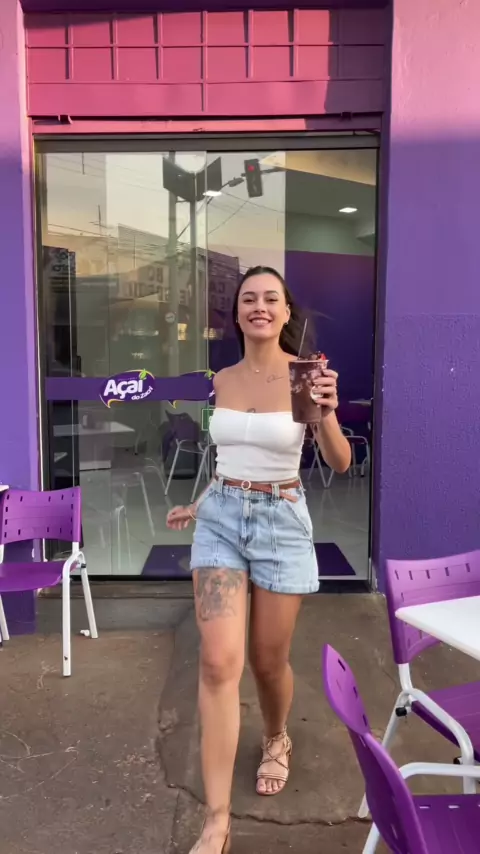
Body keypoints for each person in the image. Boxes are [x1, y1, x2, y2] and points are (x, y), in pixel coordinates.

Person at [166, 266, 351, 854]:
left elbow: (340, 462)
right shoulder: (221, 380)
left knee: (268, 662)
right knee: (219, 662)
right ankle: (217, 820)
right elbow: (230, 459)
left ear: (286, 311)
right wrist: (200, 503)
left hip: (281, 522)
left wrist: (326, 411)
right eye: (249, 298)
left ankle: (276, 735)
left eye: (271, 298)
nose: (259, 306)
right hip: (220, 520)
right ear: (238, 312)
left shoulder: (306, 376)